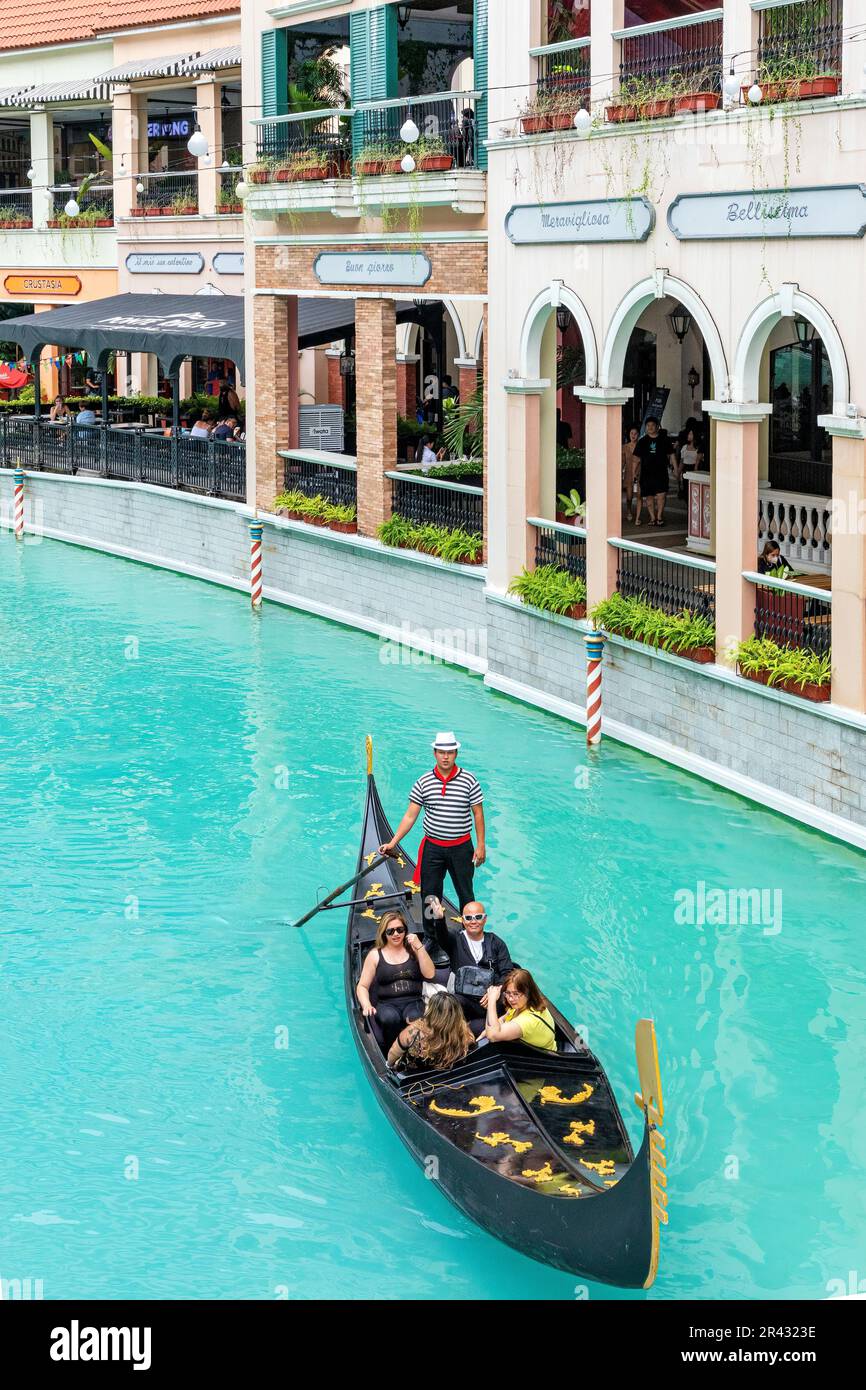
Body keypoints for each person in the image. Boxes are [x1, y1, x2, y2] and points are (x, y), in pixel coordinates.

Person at [379, 731, 485, 915]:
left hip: (462, 848)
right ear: (434, 753)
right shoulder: (423, 782)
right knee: (430, 895)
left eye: (450, 752)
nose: (446, 756)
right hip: (433, 848)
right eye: (441, 752)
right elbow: (410, 816)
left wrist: (481, 846)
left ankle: (468, 935)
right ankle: (432, 936)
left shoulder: (469, 780)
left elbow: (478, 814)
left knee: (465, 893)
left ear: (456, 754)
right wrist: (393, 842)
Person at [425, 896, 514, 1033]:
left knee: (507, 999)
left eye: (478, 917)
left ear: (485, 919)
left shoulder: (497, 943)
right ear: (462, 920)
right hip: (463, 999)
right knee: (450, 1003)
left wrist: (495, 992)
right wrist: (439, 918)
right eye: (468, 918)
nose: (473, 921)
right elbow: (442, 936)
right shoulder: (455, 939)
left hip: (491, 1000)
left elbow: (507, 973)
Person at [355, 911, 435, 1049]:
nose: (396, 934)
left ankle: (417, 1052)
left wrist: (420, 947)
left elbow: (430, 974)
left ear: (405, 930)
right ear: (384, 933)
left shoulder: (413, 949)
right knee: (390, 1019)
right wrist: (366, 1004)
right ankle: (391, 1053)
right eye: (390, 931)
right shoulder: (375, 955)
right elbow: (362, 986)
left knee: (416, 1017)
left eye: (400, 930)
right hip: (387, 1004)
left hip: (413, 1000)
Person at [386, 992, 475, 1072]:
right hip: (447, 1075)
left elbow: (393, 1052)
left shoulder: (414, 1032)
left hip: (415, 1078)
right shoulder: (464, 1030)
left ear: (432, 1011)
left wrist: (389, 1065)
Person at [484, 968, 557, 1053]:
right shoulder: (522, 1004)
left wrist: (491, 1000)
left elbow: (493, 1036)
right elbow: (503, 1019)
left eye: (516, 994)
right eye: (508, 993)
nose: (511, 999)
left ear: (528, 993)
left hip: (541, 1058)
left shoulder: (528, 1020)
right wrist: (486, 1031)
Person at [633, 416, 674, 527]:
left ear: (657, 427)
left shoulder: (664, 440)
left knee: (661, 495)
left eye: (652, 425)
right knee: (649, 497)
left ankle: (659, 517)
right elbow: (636, 459)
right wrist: (634, 472)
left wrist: (676, 469)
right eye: (648, 426)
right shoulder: (642, 441)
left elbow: (672, 454)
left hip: (661, 472)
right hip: (646, 473)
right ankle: (652, 518)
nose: (650, 427)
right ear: (646, 427)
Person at [622, 425, 639, 522]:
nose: (633, 435)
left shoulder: (640, 445)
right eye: (631, 433)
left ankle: (638, 514)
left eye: (635, 433)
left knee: (640, 495)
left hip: (638, 473)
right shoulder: (625, 447)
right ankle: (629, 511)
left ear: (638, 435)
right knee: (629, 496)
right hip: (628, 473)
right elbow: (622, 461)